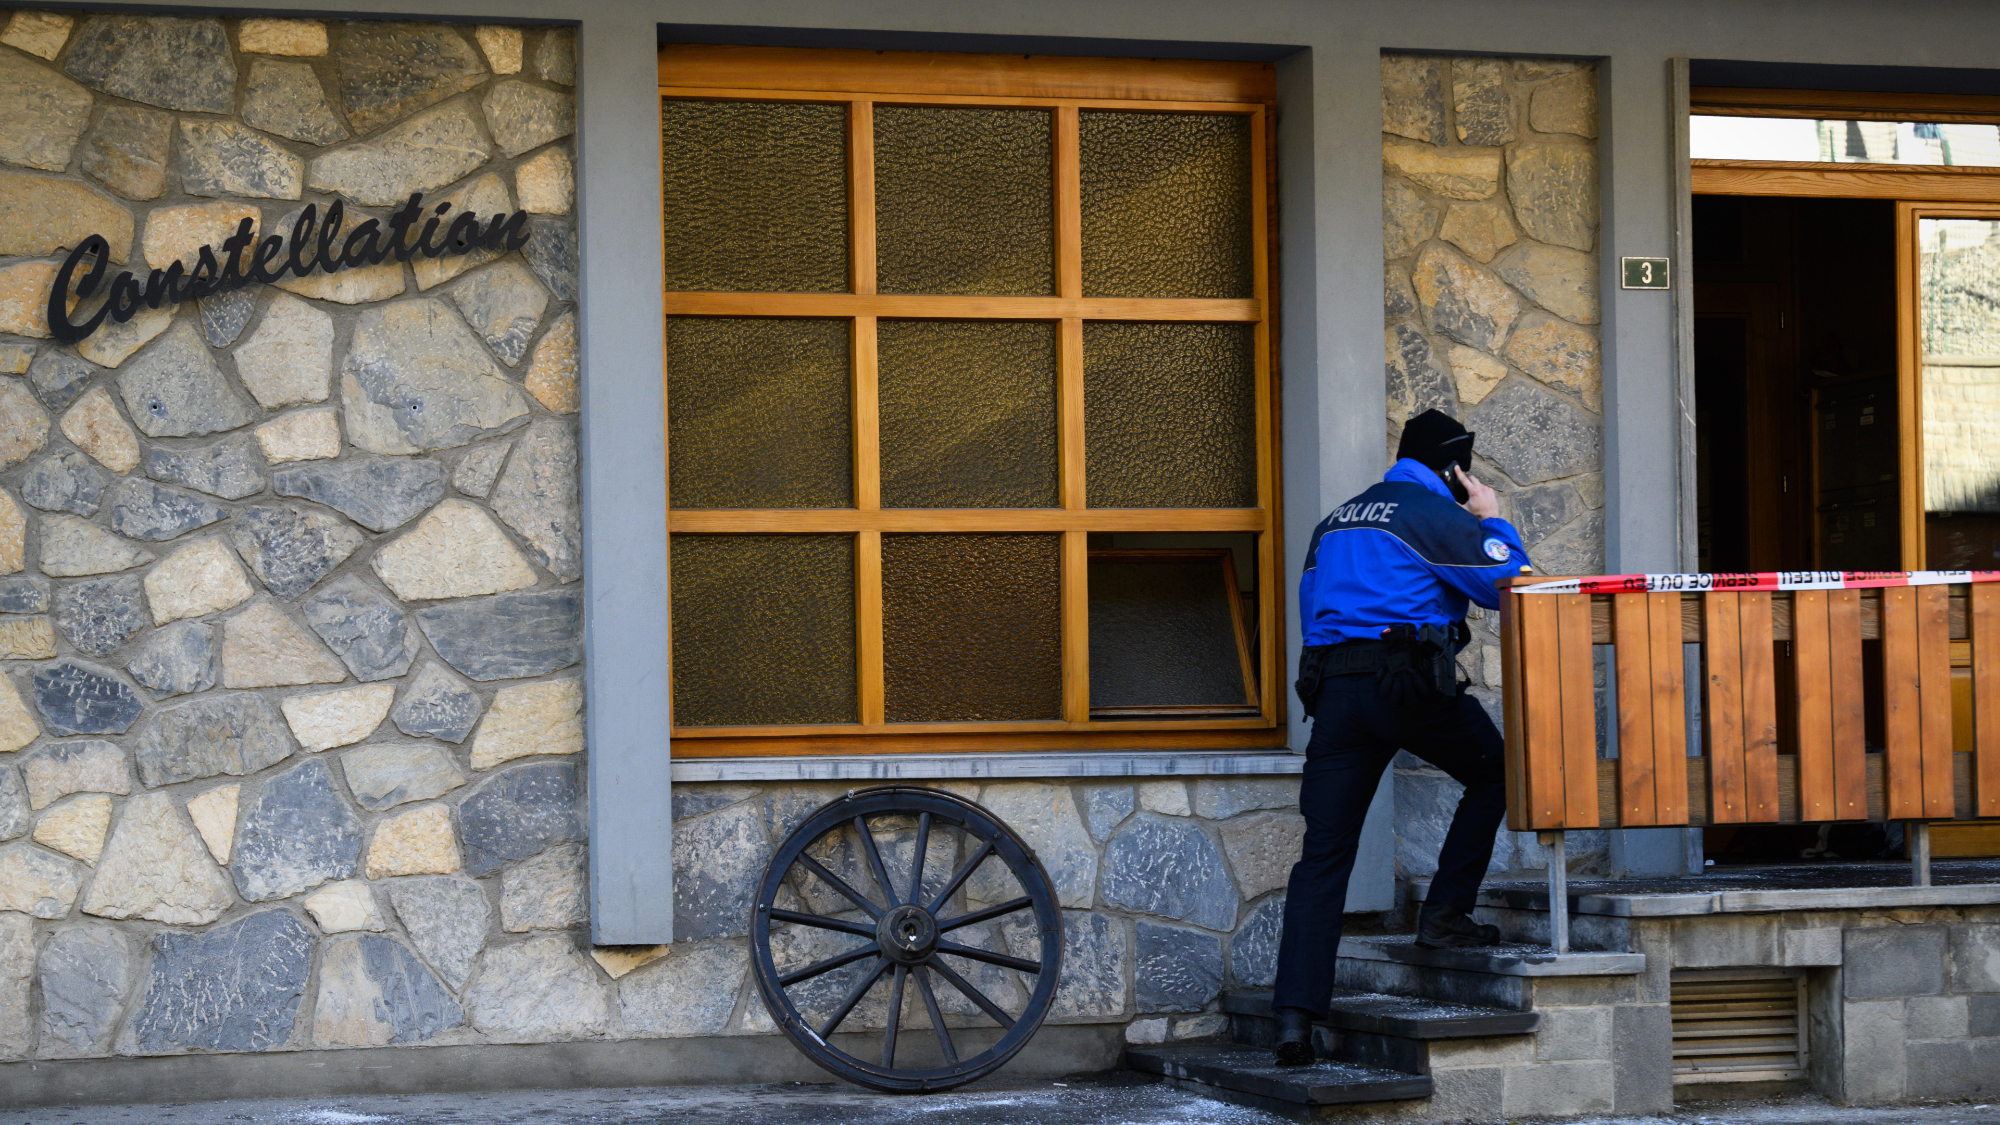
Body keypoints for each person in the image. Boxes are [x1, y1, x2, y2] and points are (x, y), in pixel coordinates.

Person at [1269, 409, 1531, 1067]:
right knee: (1498, 771)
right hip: (1409, 686)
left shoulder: (1336, 520)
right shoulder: (1431, 512)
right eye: (1466, 469)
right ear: (1454, 467)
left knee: (1323, 854)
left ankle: (1295, 1018)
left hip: (1336, 694)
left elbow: (1310, 606)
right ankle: (1444, 917)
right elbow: (1511, 584)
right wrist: (1491, 516)